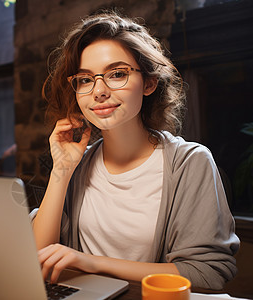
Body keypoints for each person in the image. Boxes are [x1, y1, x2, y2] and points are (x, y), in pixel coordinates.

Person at [32, 11, 239, 290]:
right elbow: (35, 259)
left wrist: (90, 262)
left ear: (149, 83)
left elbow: (206, 274)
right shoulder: (77, 165)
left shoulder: (190, 162)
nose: (99, 91)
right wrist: (62, 169)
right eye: (84, 79)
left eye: (117, 74)